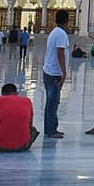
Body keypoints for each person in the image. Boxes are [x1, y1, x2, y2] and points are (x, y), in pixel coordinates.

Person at [0, 83, 38, 152]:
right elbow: (29, 125)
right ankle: (22, 143)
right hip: (23, 146)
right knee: (33, 130)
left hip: (0, 146)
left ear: (3, 94)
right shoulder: (27, 101)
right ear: (17, 93)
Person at [42, 10, 69, 139]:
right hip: (54, 73)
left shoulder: (54, 32)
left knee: (51, 102)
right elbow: (60, 52)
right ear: (67, 21)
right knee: (53, 102)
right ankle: (52, 130)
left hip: (48, 71)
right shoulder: (61, 34)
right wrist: (64, 72)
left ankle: (50, 129)